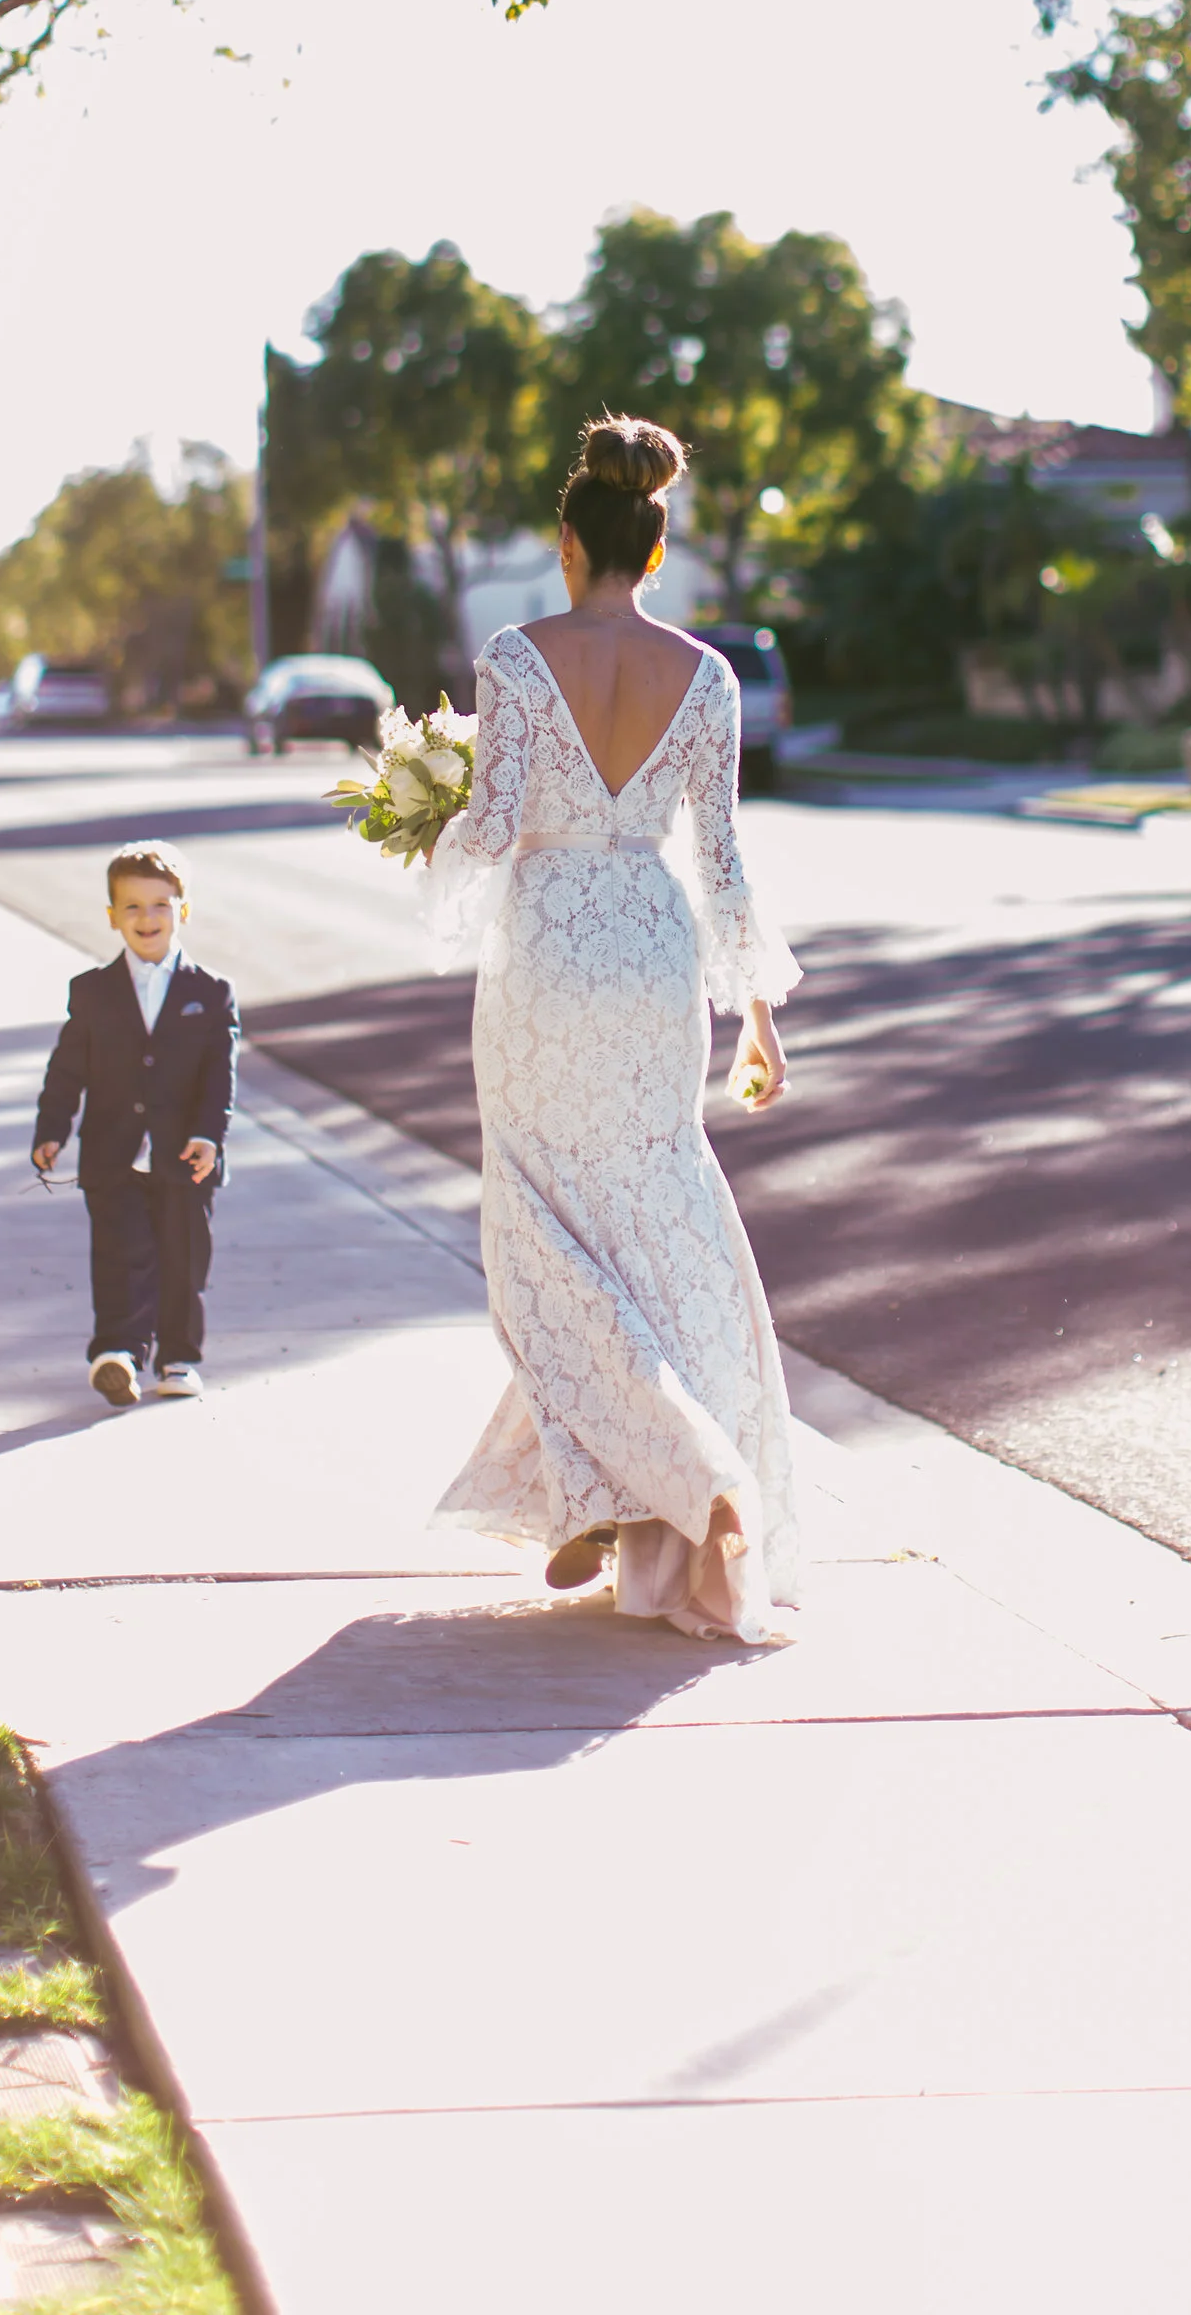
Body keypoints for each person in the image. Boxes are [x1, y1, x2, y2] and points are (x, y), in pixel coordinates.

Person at [427, 414, 804, 1642]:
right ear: (651, 553)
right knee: (647, 1223)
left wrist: (414, 823)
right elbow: (727, 863)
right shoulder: (710, 676)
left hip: (545, 948)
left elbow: (486, 830)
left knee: (539, 1232)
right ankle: (603, 1489)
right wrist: (756, 1012)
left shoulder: (515, 655)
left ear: (565, 543)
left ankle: (678, 1478)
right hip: (653, 945)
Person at [32, 840, 234, 1406]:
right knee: (120, 1254)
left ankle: (178, 1359)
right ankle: (117, 1353)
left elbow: (221, 1074)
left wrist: (208, 1136)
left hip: (186, 1156)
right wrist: (52, 1129)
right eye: (133, 907)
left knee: (182, 1259)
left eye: (161, 905)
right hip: (111, 1151)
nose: (147, 919)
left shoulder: (211, 992)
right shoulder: (92, 992)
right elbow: (67, 1069)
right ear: (112, 916)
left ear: (183, 910)